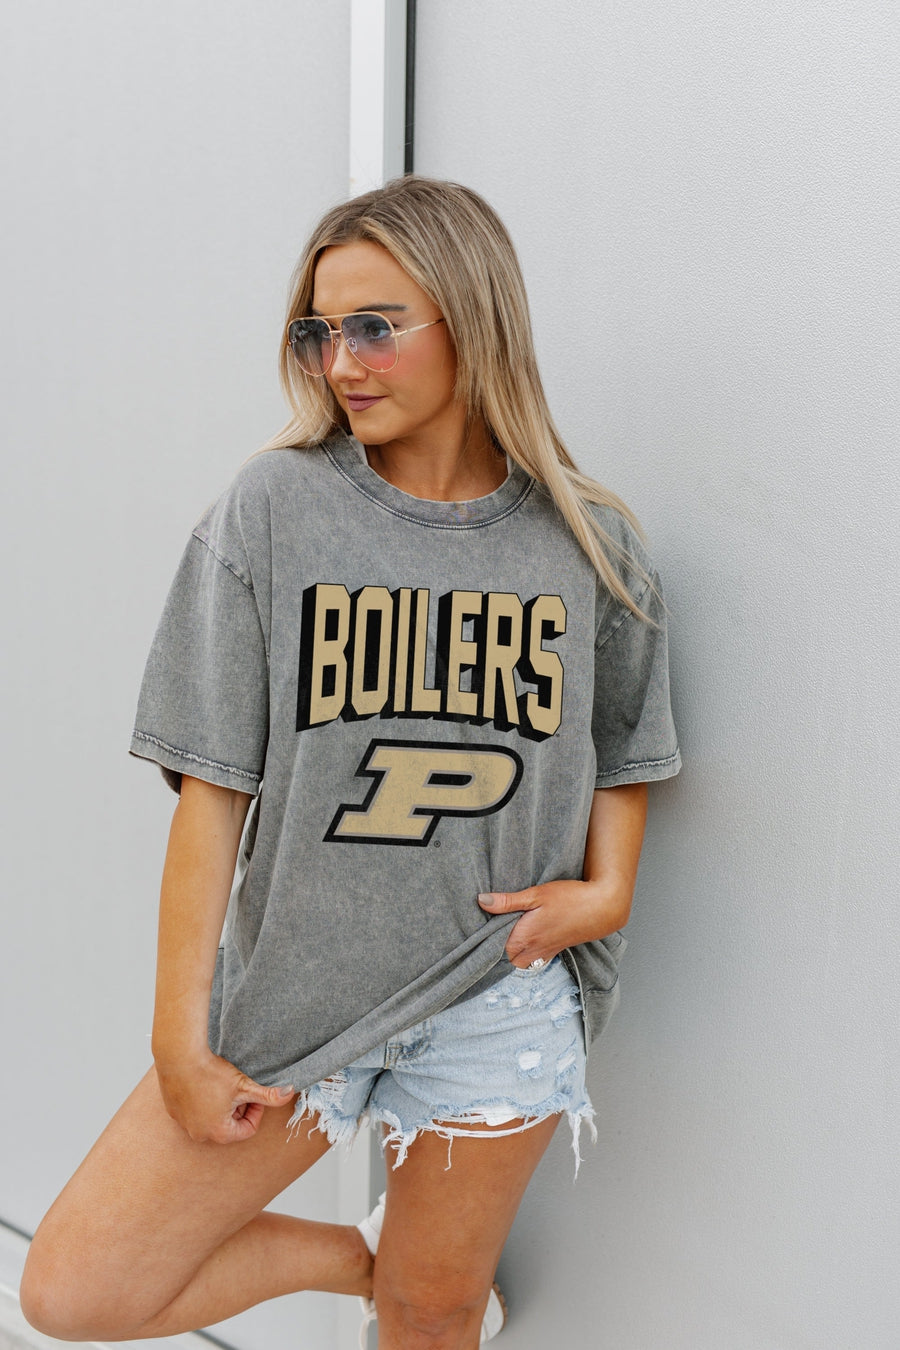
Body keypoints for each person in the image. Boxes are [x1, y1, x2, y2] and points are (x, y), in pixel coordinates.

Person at [21, 176, 680, 1350]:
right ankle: (371, 1262)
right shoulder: (275, 509)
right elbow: (211, 795)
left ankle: (417, 1283)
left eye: (374, 327)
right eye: (319, 333)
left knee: (434, 1316)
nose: (341, 364)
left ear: (472, 320)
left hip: (497, 990)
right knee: (78, 1293)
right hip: (298, 994)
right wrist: (178, 1037)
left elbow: (624, 742)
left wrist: (609, 891)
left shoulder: (587, 540)